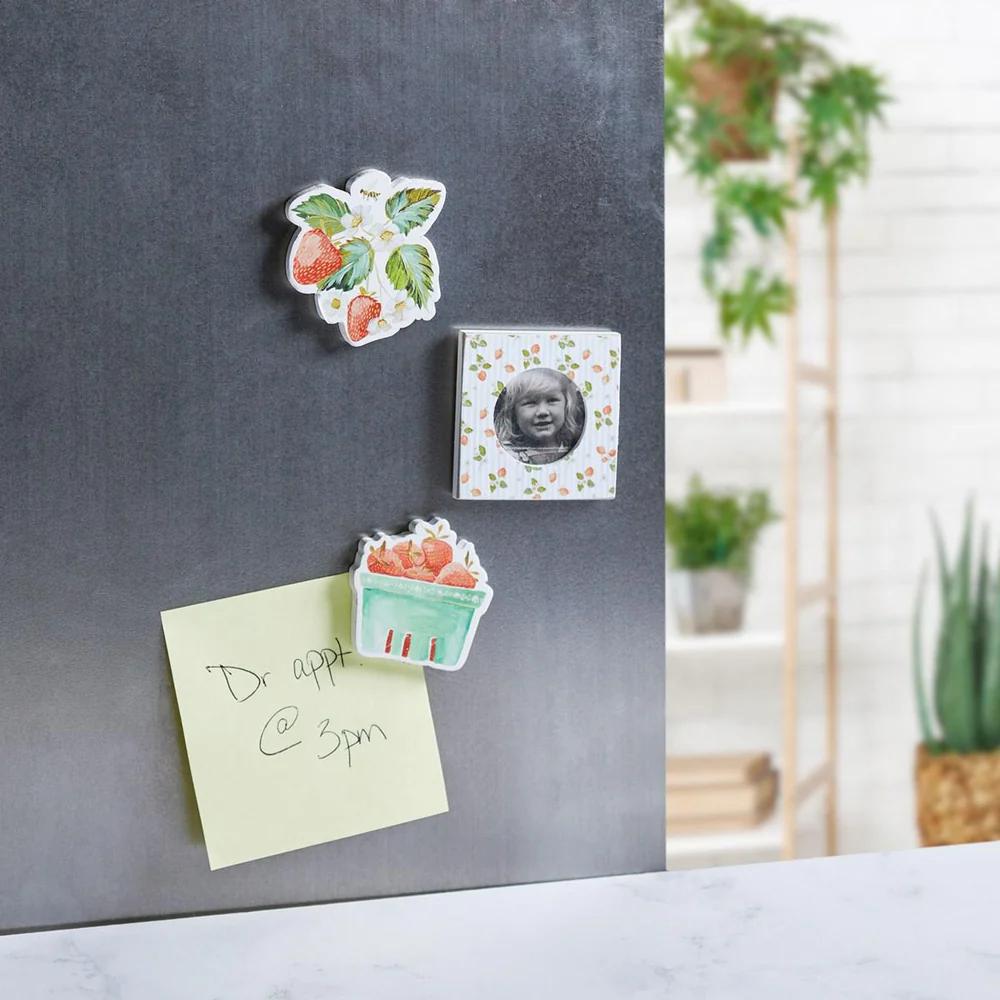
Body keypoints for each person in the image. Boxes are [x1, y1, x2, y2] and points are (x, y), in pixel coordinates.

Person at [494, 368, 583, 465]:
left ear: (566, 406)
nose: (542, 412)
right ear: (513, 412)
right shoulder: (506, 453)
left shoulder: (575, 446)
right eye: (530, 402)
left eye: (552, 400)